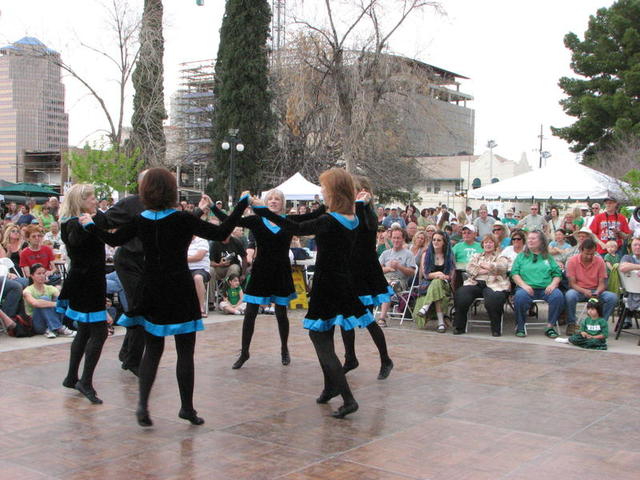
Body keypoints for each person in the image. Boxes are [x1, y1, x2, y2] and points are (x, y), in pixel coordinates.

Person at [81, 167, 249, 427]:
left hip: (150, 288)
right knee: (185, 352)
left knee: (153, 351)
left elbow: (111, 241)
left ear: (146, 191)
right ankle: (187, 408)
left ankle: (142, 406)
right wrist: (240, 206)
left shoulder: (141, 219)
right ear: (172, 191)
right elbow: (220, 233)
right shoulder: (182, 219)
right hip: (179, 288)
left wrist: (91, 225)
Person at [251, 168, 371, 419]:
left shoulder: (330, 221)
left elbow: (294, 226)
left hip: (328, 286)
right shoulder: (353, 218)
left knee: (321, 341)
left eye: (325, 188)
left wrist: (261, 208)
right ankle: (329, 387)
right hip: (342, 283)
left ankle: (348, 398)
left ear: (334, 192)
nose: (322, 192)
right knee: (325, 335)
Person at [211, 188, 325, 369]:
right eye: (270, 199)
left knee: (281, 313)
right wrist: (211, 206)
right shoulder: (257, 220)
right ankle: (245, 351)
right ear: (265, 202)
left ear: (282, 203)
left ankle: (284, 349)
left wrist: (330, 200)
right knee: (250, 313)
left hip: (281, 272)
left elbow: (315, 215)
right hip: (261, 272)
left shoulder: (289, 220)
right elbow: (230, 220)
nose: (273, 201)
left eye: (277, 199)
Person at [56, 184, 110, 405]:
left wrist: (94, 219)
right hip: (87, 282)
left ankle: (71, 377)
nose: (95, 201)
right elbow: (79, 240)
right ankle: (85, 381)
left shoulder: (81, 221)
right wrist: (91, 221)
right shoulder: (73, 224)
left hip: (87, 280)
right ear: (81, 201)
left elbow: (105, 227)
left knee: (86, 330)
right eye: (91, 198)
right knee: (99, 332)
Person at [339, 176, 393, 381]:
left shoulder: (368, 213)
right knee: (345, 318)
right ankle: (350, 357)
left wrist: (362, 204)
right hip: (349, 270)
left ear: (363, 191)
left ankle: (385, 359)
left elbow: (364, 230)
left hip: (364, 273)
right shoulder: (349, 211)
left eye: (352, 190)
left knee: (366, 318)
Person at [103, 173, 146, 376]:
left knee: (141, 307)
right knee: (140, 308)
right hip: (128, 261)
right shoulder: (130, 203)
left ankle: (126, 353)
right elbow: (106, 220)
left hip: (147, 263)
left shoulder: (161, 205)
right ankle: (132, 359)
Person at [452, 234, 510, 336]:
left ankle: (495, 329)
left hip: (494, 284)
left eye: (491, 242)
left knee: (494, 298)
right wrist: (489, 270)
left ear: (495, 244)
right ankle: (459, 327)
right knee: (461, 294)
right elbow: (469, 268)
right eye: (486, 242)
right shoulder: (476, 256)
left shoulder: (501, 256)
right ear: (482, 244)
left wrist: (488, 266)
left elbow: (502, 267)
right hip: (476, 283)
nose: (488, 244)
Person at [511, 230, 564, 337]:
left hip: (546, 288)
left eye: (533, 238)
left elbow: (557, 274)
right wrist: (524, 285)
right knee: (519, 297)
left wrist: (553, 285)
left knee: (558, 296)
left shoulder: (548, 257)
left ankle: (550, 326)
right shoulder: (521, 256)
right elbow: (514, 274)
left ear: (541, 241)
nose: (530, 240)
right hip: (526, 288)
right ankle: (520, 326)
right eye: (529, 238)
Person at [564, 238, 618, 336]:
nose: (589, 256)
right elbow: (572, 284)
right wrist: (584, 291)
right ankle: (571, 323)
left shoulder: (599, 261)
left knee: (612, 297)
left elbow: (602, 283)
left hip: (596, 290)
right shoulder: (572, 261)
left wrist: (597, 292)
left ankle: (601, 322)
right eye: (587, 254)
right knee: (569, 295)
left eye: (592, 254)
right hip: (579, 290)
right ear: (581, 250)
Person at [414, 231, 456, 332]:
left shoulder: (449, 255)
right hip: (427, 285)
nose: (435, 242)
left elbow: (450, 276)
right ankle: (441, 323)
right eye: (434, 240)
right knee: (436, 286)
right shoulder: (426, 254)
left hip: (444, 284)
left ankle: (426, 306)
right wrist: (437, 274)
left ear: (444, 242)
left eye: (438, 240)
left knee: (437, 282)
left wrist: (442, 276)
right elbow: (425, 274)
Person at [376, 227, 417, 327]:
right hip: (385, 279)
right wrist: (388, 268)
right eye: (394, 238)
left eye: (398, 238)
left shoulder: (408, 254)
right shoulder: (385, 253)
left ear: (403, 239)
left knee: (388, 286)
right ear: (391, 239)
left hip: (400, 282)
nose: (396, 240)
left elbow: (412, 272)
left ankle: (382, 318)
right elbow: (376, 270)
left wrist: (399, 266)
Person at [23, 263, 74, 338]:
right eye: (39, 274)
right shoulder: (27, 290)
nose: (42, 276)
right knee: (44, 299)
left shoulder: (50, 288)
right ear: (32, 276)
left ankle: (52, 328)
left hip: (54, 319)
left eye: (43, 273)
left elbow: (62, 299)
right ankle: (58, 328)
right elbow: (35, 303)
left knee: (58, 299)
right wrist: (56, 304)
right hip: (38, 323)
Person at [187, 234, 211, 317]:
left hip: (201, 269)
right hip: (185, 269)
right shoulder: (182, 241)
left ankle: (201, 307)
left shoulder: (202, 241)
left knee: (197, 278)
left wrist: (181, 258)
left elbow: (198, 257)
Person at [619, 237, 640, 328]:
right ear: (630, 247)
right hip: (631, 292)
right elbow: (622, 267)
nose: (638, 247)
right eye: (635, 245)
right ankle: (627, 318)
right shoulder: (627, 257)